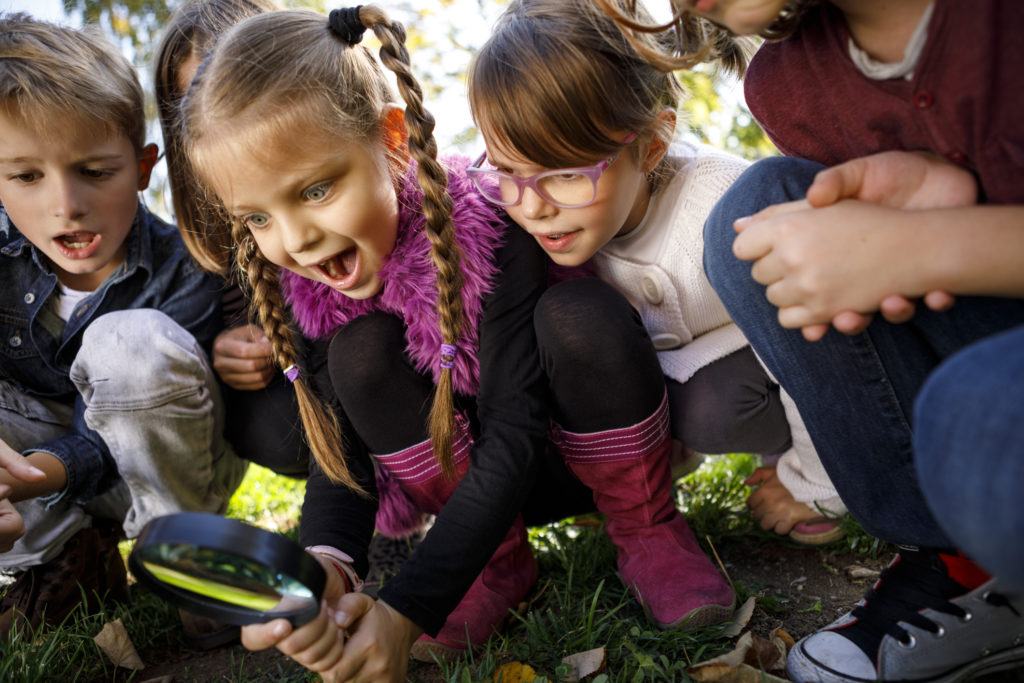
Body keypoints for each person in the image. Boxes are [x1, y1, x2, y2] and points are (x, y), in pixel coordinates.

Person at [177, 5, 734, 679]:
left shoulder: (488, 231)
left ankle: (648, 529)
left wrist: (406, 607)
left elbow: (515, 437)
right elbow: (340, 454)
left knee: (579, 313)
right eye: (259, 216)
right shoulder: (307, 283)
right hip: (471, 499)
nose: (295, 240)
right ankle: (497, 567)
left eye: (317, 189)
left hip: (559, 456)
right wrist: (325, 567)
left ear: (392, 139)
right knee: (359, 353)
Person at [604, 0, 1024, 680]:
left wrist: (935, 245)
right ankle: (955, 564)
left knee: (974, 414)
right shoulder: (792, 87)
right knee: (756, 210)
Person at [467, 0, 846, 546]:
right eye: (507, 170)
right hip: (705, 375)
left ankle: (808, 461)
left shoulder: (721, 207)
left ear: (651, 146)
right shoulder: (548, 230)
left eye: (568, 175)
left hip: (794, 367)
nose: (533, 207)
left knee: (709, 410)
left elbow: (816, 352)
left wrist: (813, 480)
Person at [0, 13, 247, 637]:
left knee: (129, 344)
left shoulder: (184, 268)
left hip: (163, 470)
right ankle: (60, 558)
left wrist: (37, 472)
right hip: (35, 479)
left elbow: (110, 430)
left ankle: (186, 556)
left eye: (94, 171)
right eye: (26, 176)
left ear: (143, 167)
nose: (65, 204)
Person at [153, 0, 311, 479]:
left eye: (233, 95)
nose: (217, 123)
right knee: (268, 422)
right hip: (306, 382)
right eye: (193, 107)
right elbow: (233, 313)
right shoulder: (208, 232)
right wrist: (228, 347)